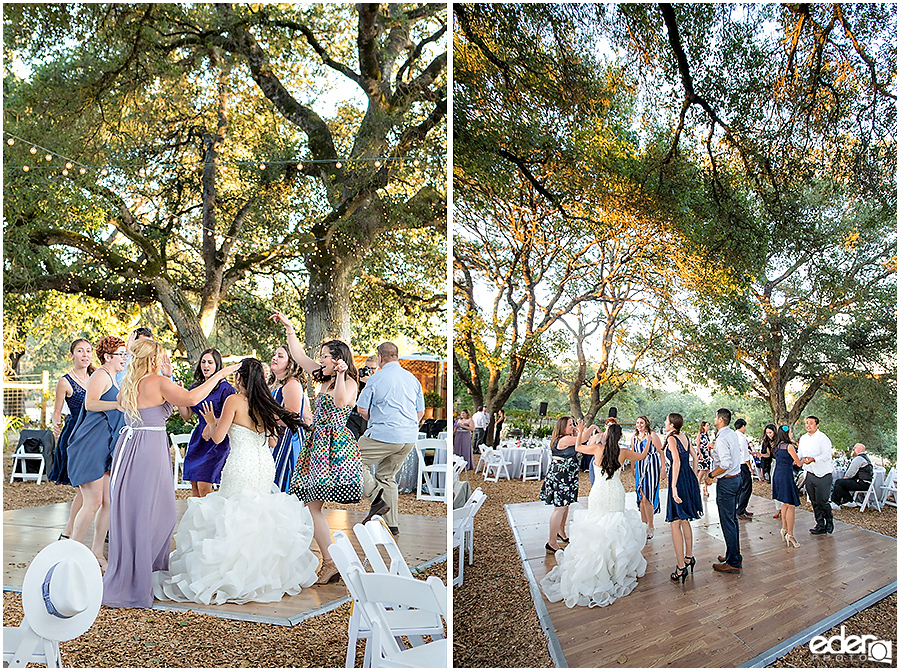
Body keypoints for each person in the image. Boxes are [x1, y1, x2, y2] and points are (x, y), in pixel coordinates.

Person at [153, 358, 318, 605]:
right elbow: (273, 442)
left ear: (239, 378)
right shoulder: (266, 403)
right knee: (258, 514)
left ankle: (232, 575)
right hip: (263, 465)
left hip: (241, 464)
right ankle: (261, 574)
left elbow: (218, 439)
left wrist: (211, 422)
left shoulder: (234, 401)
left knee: (234, 514)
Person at [102, 339, 237, 608]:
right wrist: (221, 375)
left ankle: (136, 573)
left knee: (134, 510)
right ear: (153, 358)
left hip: (130, 447)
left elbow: (127, 406)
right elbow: (191, 398)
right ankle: (143, 578)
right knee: (158, 513)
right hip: (149, 448)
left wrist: (169, 377)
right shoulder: (156, 382)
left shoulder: (129, 382)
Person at [271, 311, 362, 585]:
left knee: (311, 506)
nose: (320, 360)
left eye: (324, 356)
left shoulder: (350, 383)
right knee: (309, 505)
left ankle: (332, 560)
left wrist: (344, 376)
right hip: (317, 444)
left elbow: (341, 404)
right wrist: (289, 327)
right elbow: (298, 356)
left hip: (334, 448)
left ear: (338, 360)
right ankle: (331, 560)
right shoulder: (324, 378)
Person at [540, 422, 649, 608]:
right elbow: (643, 455)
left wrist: (581, 430)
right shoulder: (623, 452)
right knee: (615, 528)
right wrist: (648, 440)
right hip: (615, 493)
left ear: (606, 435)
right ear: (620, 437)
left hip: (598, 493)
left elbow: (578, 447)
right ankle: (615, 570)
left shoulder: (598, 448)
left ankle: (598, 569)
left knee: (597, 527)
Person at [65, 335, 127, 569]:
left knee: (108, 502)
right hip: (90, 444)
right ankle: (71, 552)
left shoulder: (113, 376)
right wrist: (117, 405)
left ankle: (97, 552)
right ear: (108, 357)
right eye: (120, 354)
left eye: (125, 354)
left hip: (106, 447)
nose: (124, 358)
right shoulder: (100, 375)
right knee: (92, 502)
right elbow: (90, 404)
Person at [355, 342, 426, 534]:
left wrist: (380, 420)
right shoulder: (413, 379)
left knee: (351, 461)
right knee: (387, 476)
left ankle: (376, 499)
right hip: (409, 437)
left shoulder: (375, 379)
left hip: (384, 434)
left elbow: (361, 409)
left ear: (380, 358)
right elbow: (420, 413)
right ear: (397, 356)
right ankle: (392, 524)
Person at [49, 339, 94, 541]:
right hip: (75, 435)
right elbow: (57, 411)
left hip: (95, 434)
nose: (85, 355)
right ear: (72, 355)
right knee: (85, 488)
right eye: (80, 351)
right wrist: (55, 425)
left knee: (90, 488)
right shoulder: (65, 381)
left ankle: (68, 534)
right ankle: (70, 535)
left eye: (88, 351)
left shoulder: (96, 377)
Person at [177, 348, 236, 497]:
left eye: (210, 362)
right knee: (195, 488)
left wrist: (213, 422)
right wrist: (179, 396)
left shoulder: (226, 389)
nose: (206, 365)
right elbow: (187, 415)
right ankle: (196, 519)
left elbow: (233, 416)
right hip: (198, 439)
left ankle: (208, 520)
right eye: (203, 362)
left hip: (216, 440)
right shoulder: (196, 388)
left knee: (204, 487)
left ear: (217, 365)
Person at [664, 413, 703, 583]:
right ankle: (689, 557)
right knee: (685, 519)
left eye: (667, 420)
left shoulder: (672, 438)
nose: (665, 423)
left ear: (672, 424)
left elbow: (677, 462)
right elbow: (695, 457)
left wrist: (673, 487)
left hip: (678, 479)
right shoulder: (684, 436)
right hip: (687, 478)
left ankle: (681, 566)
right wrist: (693, 475)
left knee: (675, 522)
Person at [269, 345, 313, 492]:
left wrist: (265, 415)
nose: (274, 358)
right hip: (278, 438)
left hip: (287, 441)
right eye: (275, 354)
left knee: (282, 485)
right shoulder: (279, 384)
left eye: (280, 356)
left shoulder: (291, 384)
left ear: (290, 363)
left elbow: (293, 417)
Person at [704, 408, 743, 574]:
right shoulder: (732, 434)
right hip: (736, 478)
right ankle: (732, 555)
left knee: (728, 521)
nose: (714, 419)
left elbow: (725, 464)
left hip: (727, 483)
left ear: (720, 419)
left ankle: (733, 562)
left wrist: (711, 475)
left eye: (715, 417)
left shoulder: (721, 438)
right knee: (732, 520)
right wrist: (714, 451)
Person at [540, 416, 581, 553]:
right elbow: (583, 440)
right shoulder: (564, 439)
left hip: (568, 476)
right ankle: (551, 542)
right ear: (563, 427)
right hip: (561, 477)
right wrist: (585, 429)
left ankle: (561, 532)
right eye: (570, 424)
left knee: (565, 506)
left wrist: (576, 431)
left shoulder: (567, 437)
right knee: (560, 508)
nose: (573, 426)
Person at [797, 416, 834, 535]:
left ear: (817, 425)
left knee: (822, 501)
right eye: (807, 423)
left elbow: (826, 455)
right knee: (813, 501)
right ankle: (820, 524)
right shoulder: (803, 438)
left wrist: (814, 459)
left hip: (823, 474)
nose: (808, 425)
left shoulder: (823, 438)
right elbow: (800, 454)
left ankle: (829, 520)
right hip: (809, 473)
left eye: (811, 423)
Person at [771, 425, 803, 547]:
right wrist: (803, 460)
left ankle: (784, 529)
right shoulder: (789, 447)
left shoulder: (777, 446)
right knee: (791, 505)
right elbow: (799, 463)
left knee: (784, 503)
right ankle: (790, 534)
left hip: (778, 474)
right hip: (786, 476)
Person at [632, 415, 663, 540]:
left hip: (651, 466)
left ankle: (651, 525)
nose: (639, 425)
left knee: (647, 496)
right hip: (639, 466)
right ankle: (643, 525)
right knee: (640, 497)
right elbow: (633, 452)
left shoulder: (652, 435)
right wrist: (633, 468)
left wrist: (663, 469)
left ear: (646, 424)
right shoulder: (634, 437)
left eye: (642, 423)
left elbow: (661, 452)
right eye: (637, 422)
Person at [347, 355, 379, 440]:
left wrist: (369, 382)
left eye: (373, 368)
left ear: (378, 368)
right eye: (367, 368)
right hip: (354, 418)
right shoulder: (358, 381)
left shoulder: (379, 381)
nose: (370, 371)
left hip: (368, 419)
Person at [831, 443, 873, 508]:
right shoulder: (865, 458)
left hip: (862, 483)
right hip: (866, 483)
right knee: (843, 483)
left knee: (839, 482)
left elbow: (850, 473)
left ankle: (835, 503)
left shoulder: (859, 459)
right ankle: (849, 501)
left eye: (855, 448)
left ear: (859, 450)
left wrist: (845, 478)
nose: (853, 449)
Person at [734, 419, 754, 521]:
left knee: (741, 488)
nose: (745, 429)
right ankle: (740, 510)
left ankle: (741, 507)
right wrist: (750, 467)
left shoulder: (734, 436)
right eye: (744, 426)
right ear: (742, 426)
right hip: (742, 465)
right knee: (747, 488)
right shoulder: (741, 438)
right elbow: (745, 456)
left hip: (736, 465)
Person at [696, 421, 712, 495]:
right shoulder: (700, 434)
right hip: (702, 454)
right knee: (702, 471)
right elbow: (698, 445)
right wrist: (700, 454)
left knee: (708, 471)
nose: (708, 427)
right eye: (707, 425)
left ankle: (705, 488)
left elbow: (709, 446)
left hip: (707, 454)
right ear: (703, 426)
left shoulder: (707, 435)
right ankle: (698, 486)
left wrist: (711, 455)